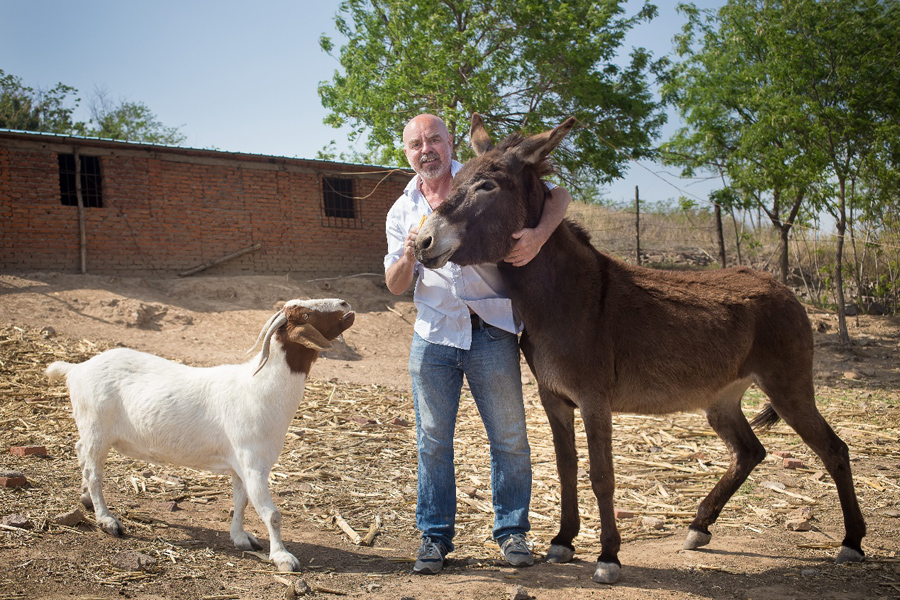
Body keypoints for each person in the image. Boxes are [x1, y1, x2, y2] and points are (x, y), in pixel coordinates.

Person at [384, 113, 571, 575]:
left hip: (490, 328)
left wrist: (539, 236)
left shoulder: (481, 180)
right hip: (434, 335)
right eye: (415, 144)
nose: (425, 149)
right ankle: (433, 538)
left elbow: (558, 195)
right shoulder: (400, 209)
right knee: (432, 442)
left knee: (509, 439)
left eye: (434, 139)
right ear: (406, 153)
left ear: (450, 144)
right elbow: (392, 284)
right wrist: (409, 254)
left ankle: (512, 532)